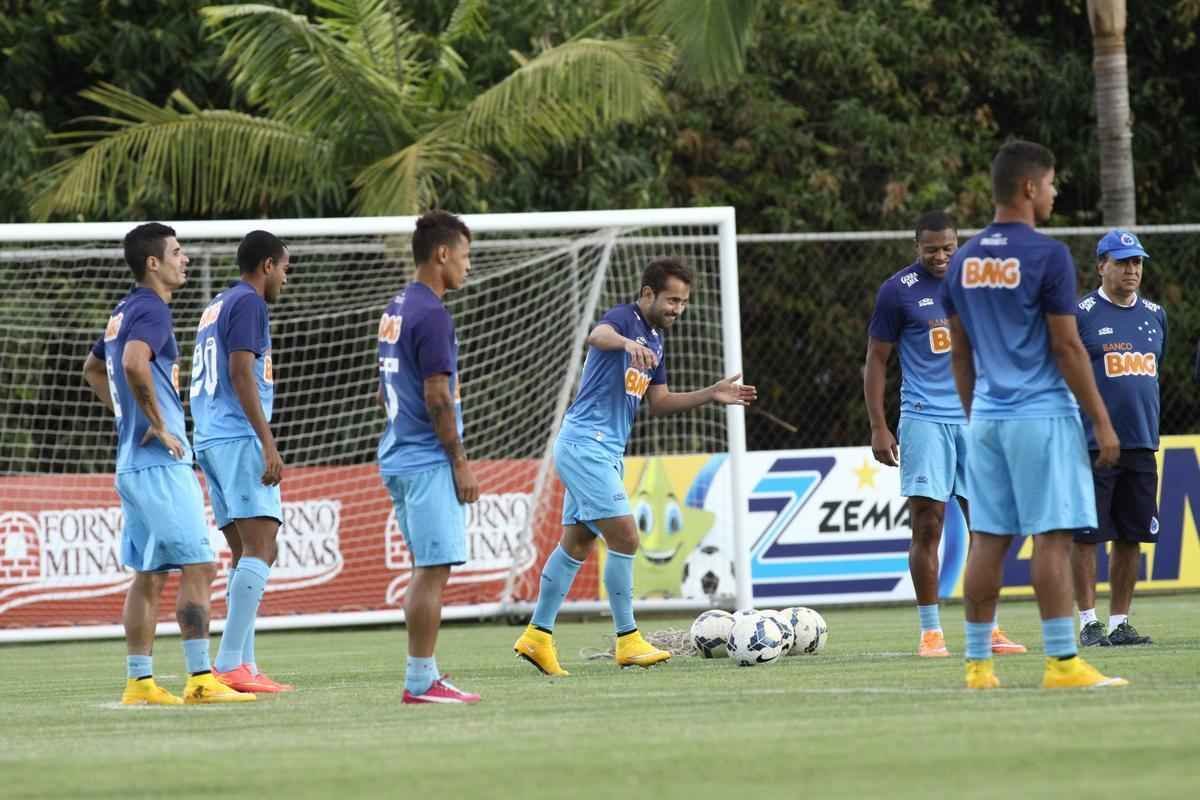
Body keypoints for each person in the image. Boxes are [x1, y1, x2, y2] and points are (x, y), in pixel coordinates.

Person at [942, 139, 1129, 689]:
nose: (1053, 192)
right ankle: (1062, 664)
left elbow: (959, 352)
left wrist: (976, 414)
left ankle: (978, 667)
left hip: (988, 419)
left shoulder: (964, 260)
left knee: (990, 539)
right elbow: (1067, 348)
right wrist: (1101, 418)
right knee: (1053, 538)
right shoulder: (1047, 255)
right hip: (1042, 415)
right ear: (1028, 187)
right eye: (1049, 184)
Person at [513, 257, 757, 676]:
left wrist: (711, 393)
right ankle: (628, 639)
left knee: (577, 544)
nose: (677, 308)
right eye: (671, 300)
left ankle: (537, 636)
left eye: (683, 302)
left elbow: (659, 403)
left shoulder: (657, 341)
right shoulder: (624, 319)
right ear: (647, 294)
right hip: (584, 444)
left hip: (603, 452)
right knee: (626, 535)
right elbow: (597, 334)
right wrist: (626, 343)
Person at [83, 223, 253, 705]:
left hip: (131, 465)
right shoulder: (152, 311)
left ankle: (139, 683)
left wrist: (128, 416)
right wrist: (156, 422)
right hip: (159, 464)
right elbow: (136, 364)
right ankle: (201, 678)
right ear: (153, 263)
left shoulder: (123, 310)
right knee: (200, 565)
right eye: (177, 252)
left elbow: (93, 368)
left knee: (150, 574)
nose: (186, 259)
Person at [865, 211, 1026, 658]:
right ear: (917, 247)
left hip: (975, 422)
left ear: (959, 244)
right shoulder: (898, 291)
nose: (940, 256)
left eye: (948, 247)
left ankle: (988, 629)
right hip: (924, 419)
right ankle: (930, 632)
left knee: (987, 526)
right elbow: (877, 359)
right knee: (927, 525)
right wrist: (879, 425)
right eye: (931, 248)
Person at [378, 211, 481, 705]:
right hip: (424, 458)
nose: (467, 266)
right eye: (464, 257)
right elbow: (438, 395)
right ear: (442, 255)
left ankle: (426, 675)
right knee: (433, 570)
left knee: (428, 566)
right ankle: (421, 681)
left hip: (399, 451)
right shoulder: (433, 312)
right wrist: (459, 461)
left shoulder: (398, 305)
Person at [190, 230, 293, 694]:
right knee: (263, 546)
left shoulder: (216, 304)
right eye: (285, 268)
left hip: (210, 437)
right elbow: (239, 371)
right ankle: (231, 662)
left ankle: (244, 666)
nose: (286, 279)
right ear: (267, 265)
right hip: (237, 436)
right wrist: (267, 442)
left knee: (246, 553)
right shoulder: (250, 302)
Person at [1072, 230, 1164, 647]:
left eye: (1137, 262)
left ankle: (1119, 622)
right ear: (1101, 266)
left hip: (1142, 442)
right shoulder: (1082, 313)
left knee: (1132, 535)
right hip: (1093, 445)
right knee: (1088, 535)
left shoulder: (1155, 314)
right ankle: (1088, 621)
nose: (1132, 269)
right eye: (1123, 261)